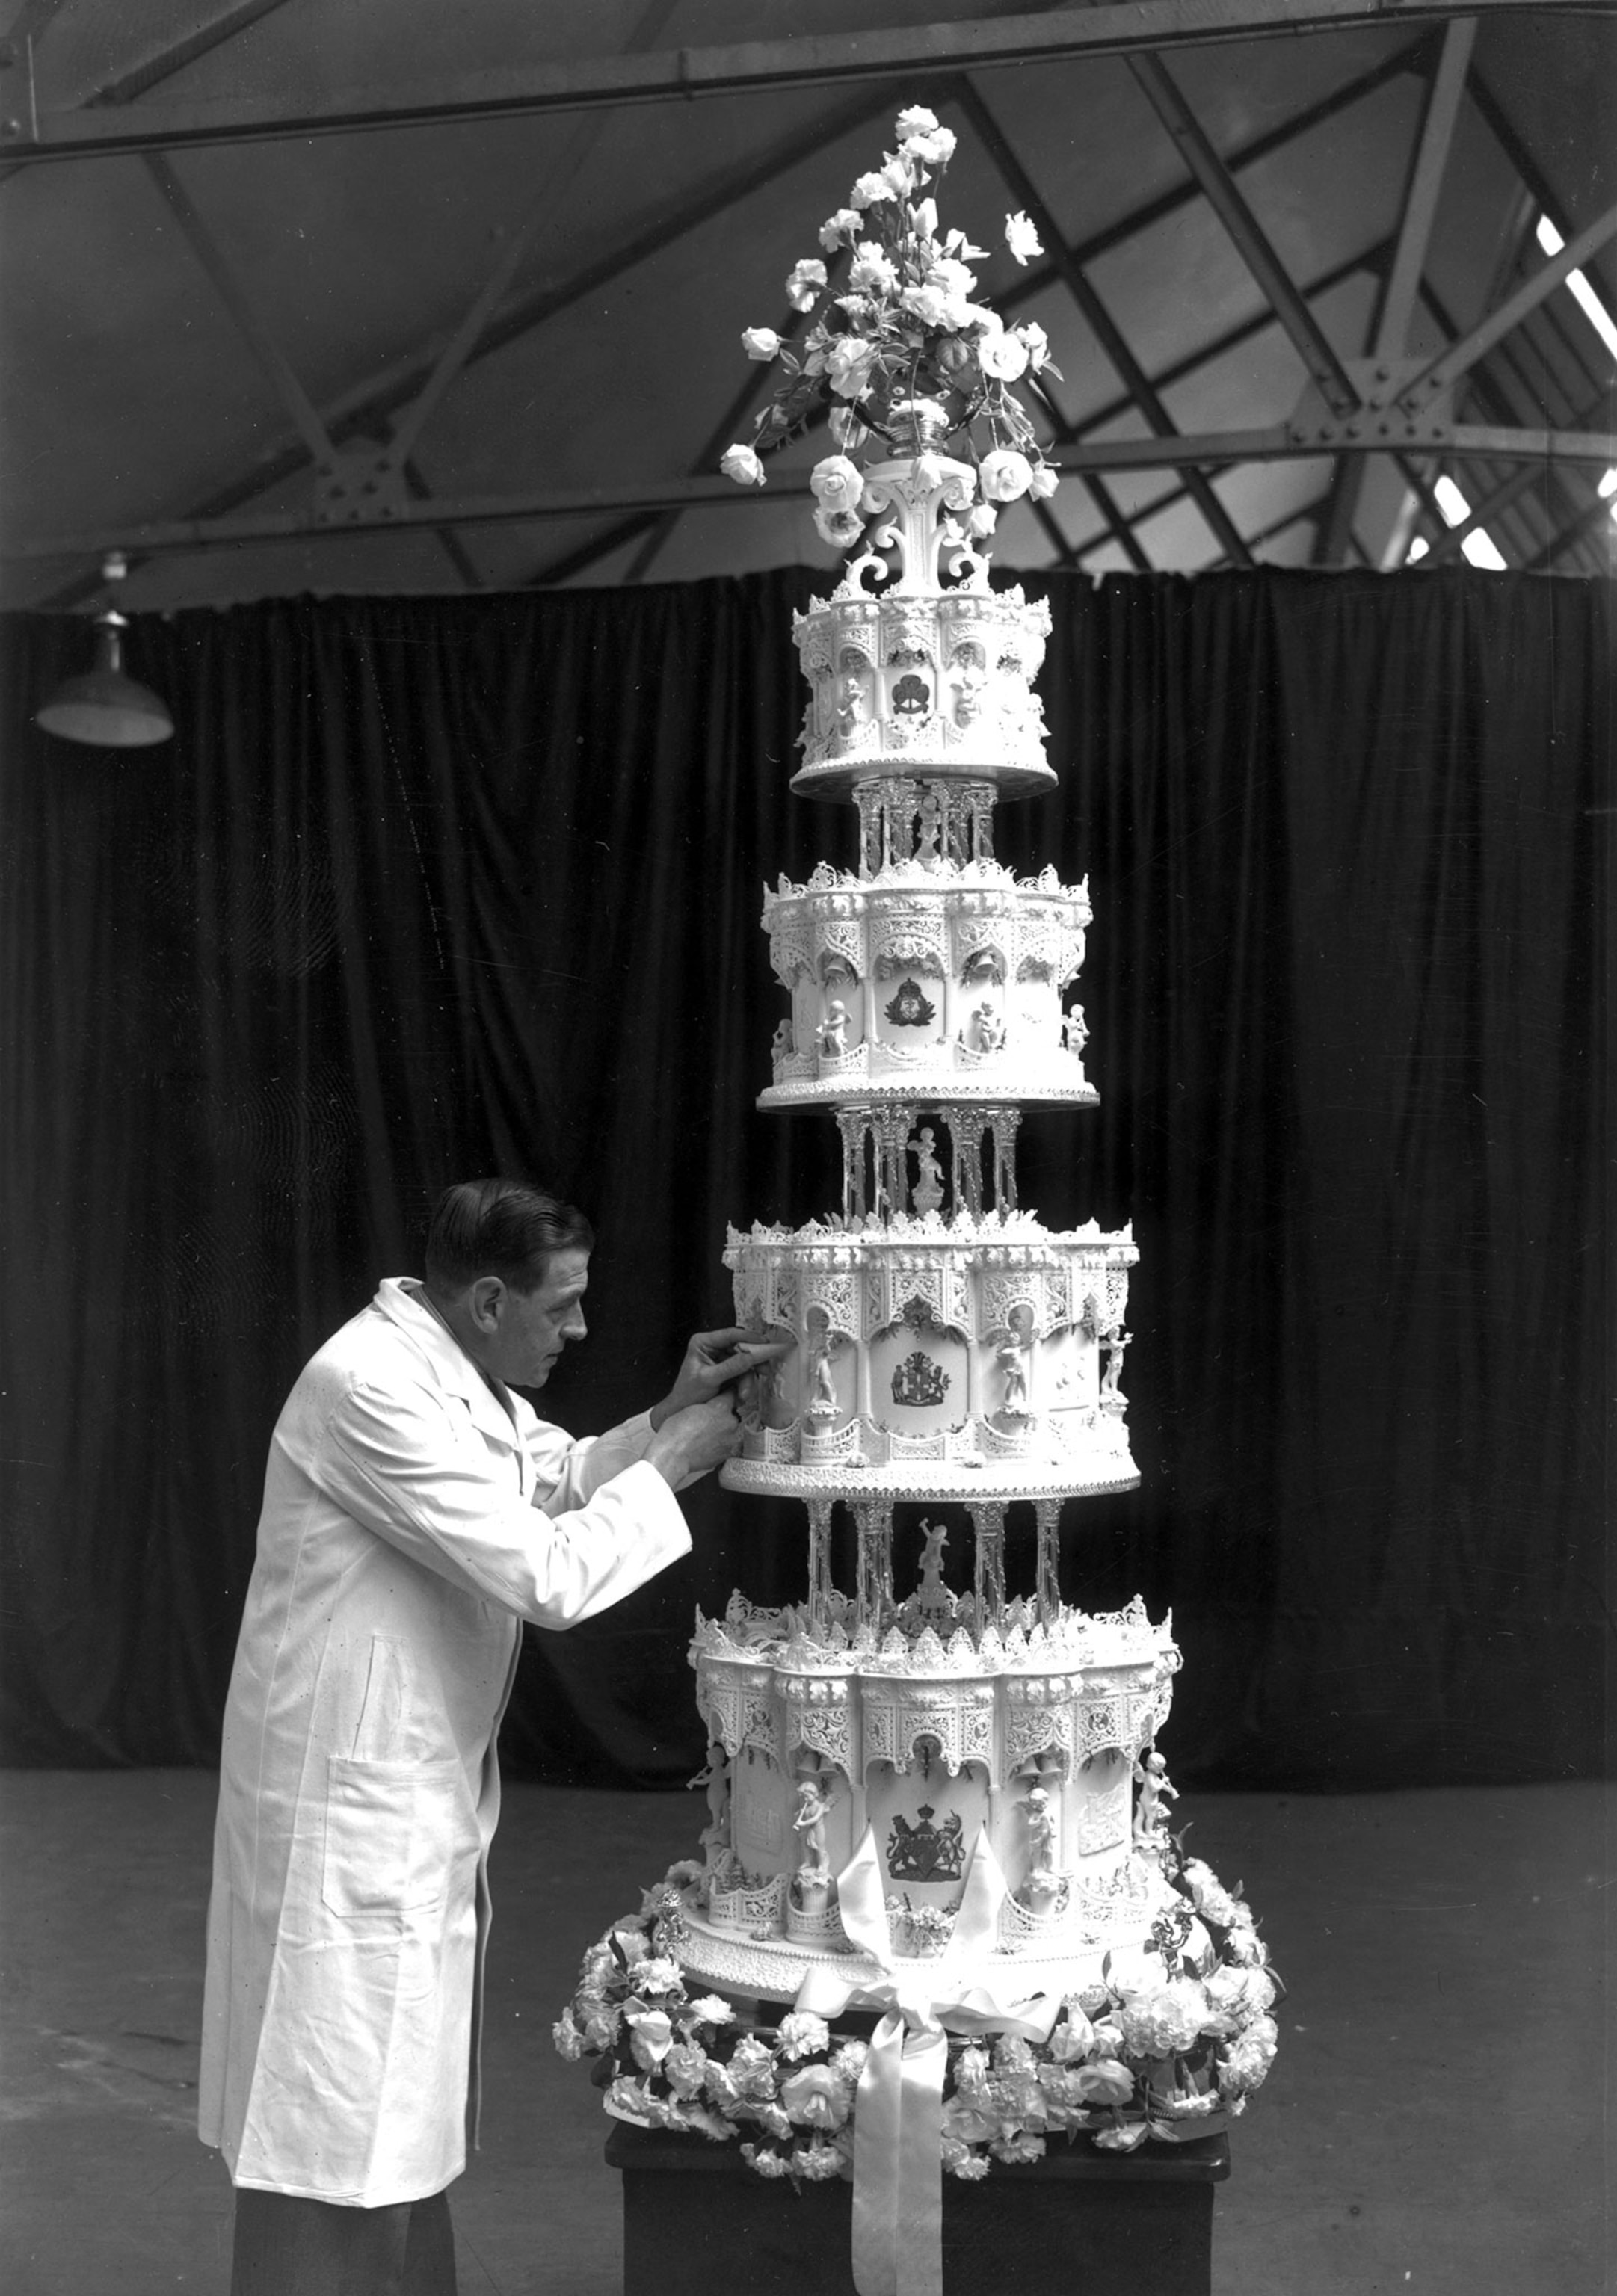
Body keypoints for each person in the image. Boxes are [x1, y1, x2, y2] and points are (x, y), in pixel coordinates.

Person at [199, 1178, 784, 2296]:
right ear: (482, 1300)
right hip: (340, 1816)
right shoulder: (366, 1385)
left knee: (389, 2114)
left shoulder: (450, 1371)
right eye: (560, 1307)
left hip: (400, 1801)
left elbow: (545, 1480)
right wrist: (669, 1468)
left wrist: (665, 1419)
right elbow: (544, 1571)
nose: (577, 1330)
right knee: (329, 2126)